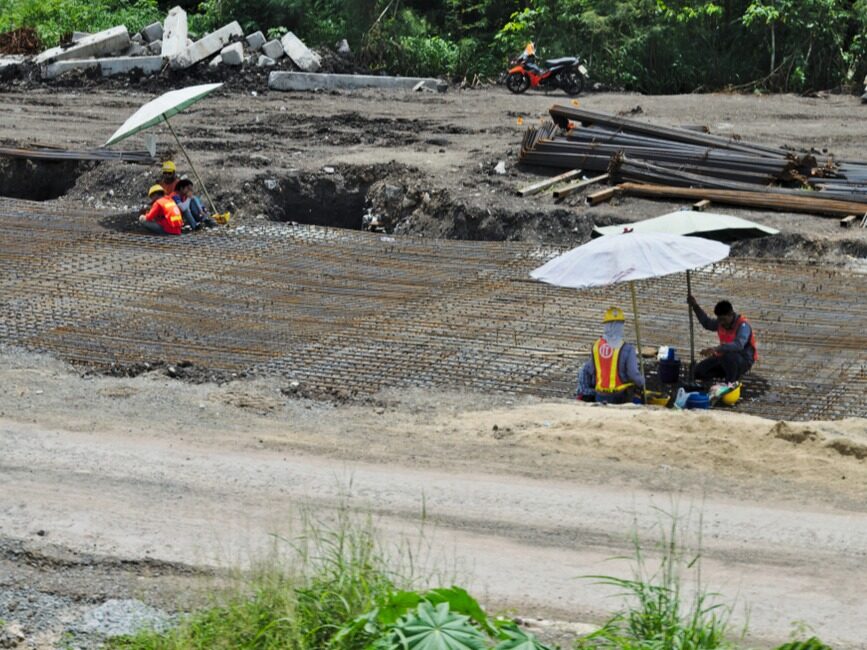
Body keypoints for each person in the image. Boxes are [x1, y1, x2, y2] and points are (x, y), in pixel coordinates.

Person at [576, 306, 645, 404]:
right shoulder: (627, 349)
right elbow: (633, 374)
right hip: (620, 396)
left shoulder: (596, 346)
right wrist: (642, 383)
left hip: (600, 395)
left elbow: (589, 369)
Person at [687, 295, 757, 384]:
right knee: (699, 372)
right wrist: (695, 306)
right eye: (719, 319)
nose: (721, 323)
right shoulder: (720, 322)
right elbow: (707, 323)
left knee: (729, 358)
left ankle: (731, 383)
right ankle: (725, 372)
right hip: (723, 358)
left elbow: (739, 345)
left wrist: (716, 349)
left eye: (724, 319)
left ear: (731, 314)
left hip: (742, 360)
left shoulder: (743, 326)